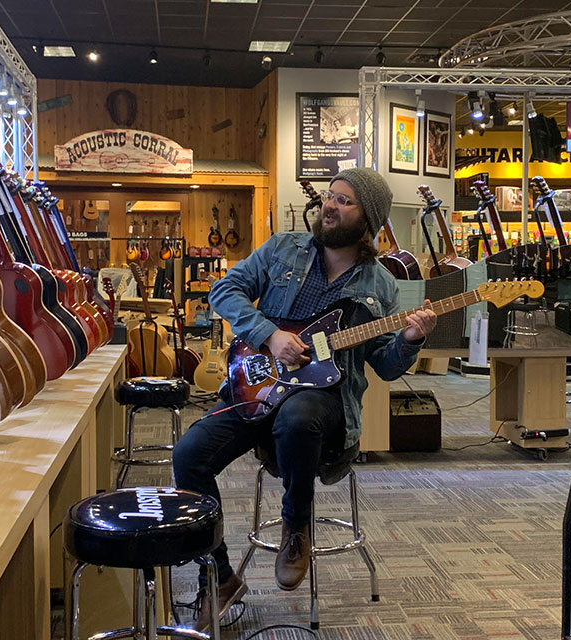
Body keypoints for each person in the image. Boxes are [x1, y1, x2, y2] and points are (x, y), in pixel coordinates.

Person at [173, 168, 439, 631]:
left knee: (298, 418)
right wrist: (269, 334)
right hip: (257, 385)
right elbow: (224, 289)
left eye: (345, 201)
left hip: (325, 403)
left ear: (369, 219)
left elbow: (387, 366)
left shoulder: (380, 285)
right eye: (331, 196)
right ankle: (218, 575)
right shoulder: (282, 249)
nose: (330, 206)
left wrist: (411, 338)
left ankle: (297, 525)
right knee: (189, 455)